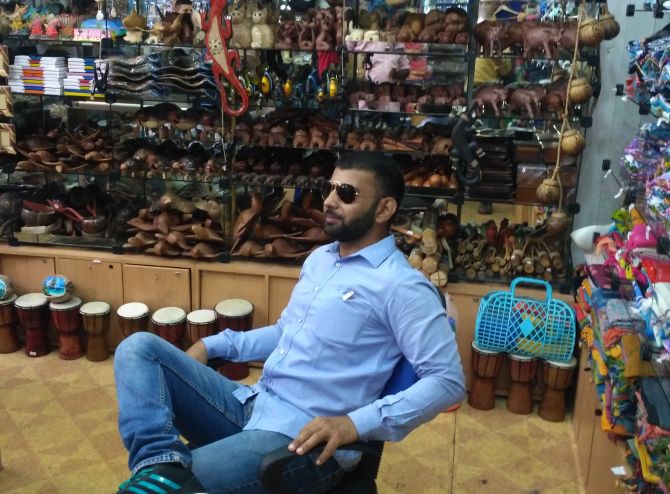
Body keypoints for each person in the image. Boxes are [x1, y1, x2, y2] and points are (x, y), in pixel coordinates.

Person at [113, 152, 466, 494]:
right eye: (329, 188)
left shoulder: (402, 286)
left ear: (384, 209)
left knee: (161, 490)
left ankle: (166, 480)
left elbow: (447, 381)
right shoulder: (321, 260)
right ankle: (159, 464)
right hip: (254, 405)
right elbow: (286, 332)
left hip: (305, 442)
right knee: (138, 348)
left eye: (346, 193)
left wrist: (355, 424)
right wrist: (214, 344)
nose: (329, 201)